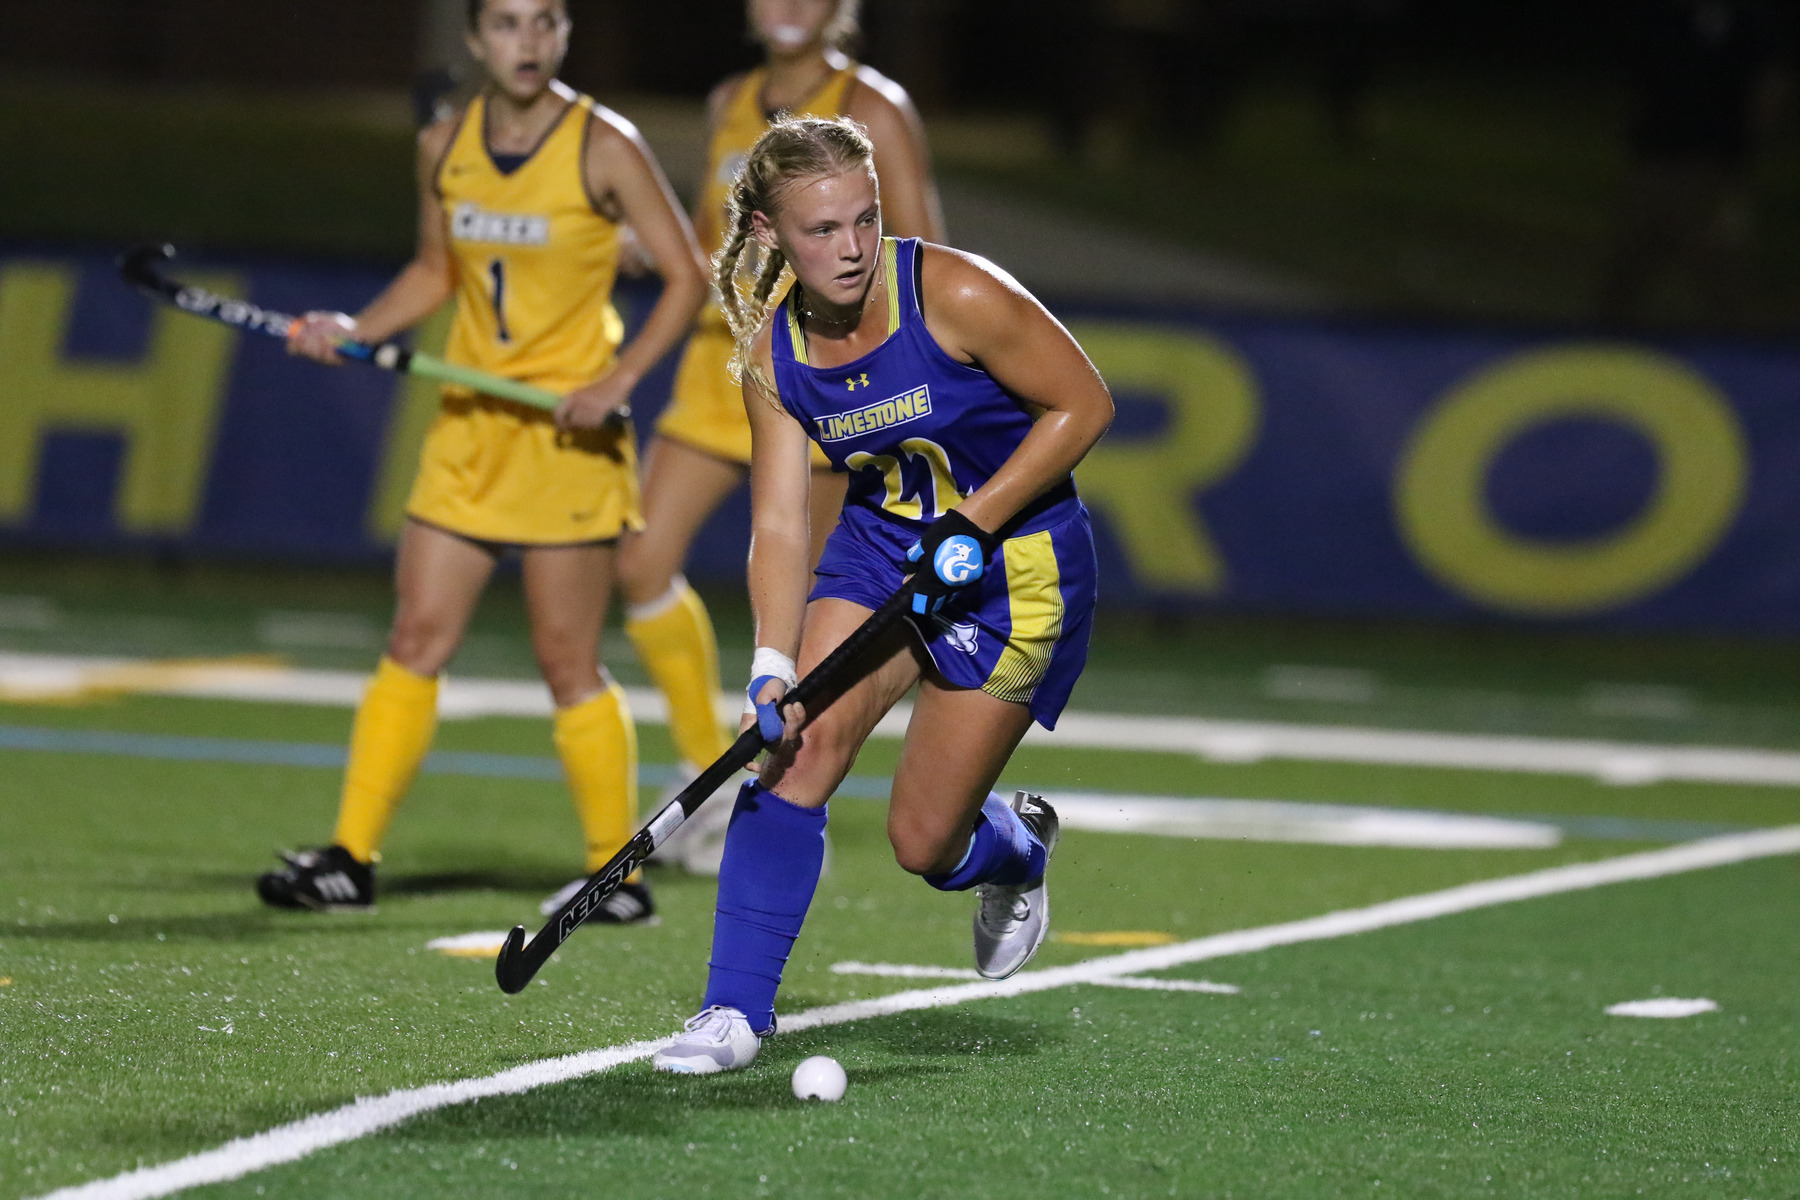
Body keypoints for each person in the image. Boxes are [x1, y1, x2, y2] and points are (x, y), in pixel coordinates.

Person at [650, 116, 1113, 1075]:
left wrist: (976, 520)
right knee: (793, 754)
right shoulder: (774, 357)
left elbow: (1084, 404)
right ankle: (733, 1012)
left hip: (1015, 569)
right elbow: (779, 523)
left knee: (922, 841)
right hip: (881, 550)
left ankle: (1016, 850)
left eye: (865, 219)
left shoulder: (955, 293)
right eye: (823, 230)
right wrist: (773, 666)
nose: (853, 247)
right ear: (772, 233)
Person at [255, 0, 708, 919]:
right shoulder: (445, 146)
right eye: (506, 24)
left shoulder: (603, 143)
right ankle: (350, 857)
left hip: (566, 438)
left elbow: (687, 272)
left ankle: (610, 873)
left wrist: (618, 380)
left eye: (545, 23)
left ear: (567, 33)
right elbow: (436, 270)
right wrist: (356, 328)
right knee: (416, 637)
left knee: (565, 661)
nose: (528, 42)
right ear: (474, 40)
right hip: (470, 429)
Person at [618, 0, 944, 875]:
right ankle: (705, 774)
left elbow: (922, 247)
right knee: (641, 562)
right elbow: (708, 240)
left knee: (807, 604)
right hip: (719, 367)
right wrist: (631, 244)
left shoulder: (872, 105)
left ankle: (785, 799)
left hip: (824, 375)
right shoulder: (730, 96)